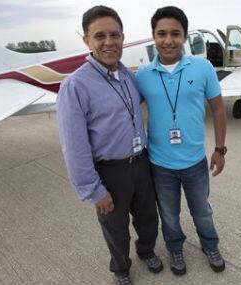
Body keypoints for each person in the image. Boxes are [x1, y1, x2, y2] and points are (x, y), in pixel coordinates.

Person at [57, 6, 162, 285]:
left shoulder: (127, 75)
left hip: (141, 163)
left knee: (148, 218)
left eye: (114, 35)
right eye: (99, 35)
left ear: (123, 38)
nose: (108, 42)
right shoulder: (75, 86)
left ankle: (147, 251)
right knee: (116, 229)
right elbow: (74, 147)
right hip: (110, 172)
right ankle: (121, 268)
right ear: (86, 41)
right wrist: (93, 189)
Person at [136, 6, 227, 276]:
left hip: (195, 162)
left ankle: (209, 244)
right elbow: (124, 110)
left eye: (175, 33)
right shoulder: (142, 75)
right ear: (153, 36)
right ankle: (175, 247)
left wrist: (220, 150)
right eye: (161, 33)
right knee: (169, 216)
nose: (168, 40)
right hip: (160, 164)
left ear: (185, 36)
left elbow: (219, 109)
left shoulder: (202, 68)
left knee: (202, 212)